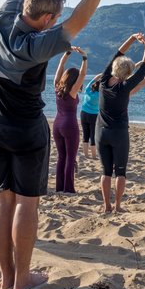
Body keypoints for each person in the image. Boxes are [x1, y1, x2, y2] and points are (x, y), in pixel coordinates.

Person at [0, 0, 107, 289]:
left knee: (3, 202)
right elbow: (81, 17)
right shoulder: (36, 45)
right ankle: (22, 279)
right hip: (25, 131)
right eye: (54, 18)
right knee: (26, 204)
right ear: (48, 19)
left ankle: (5, 278)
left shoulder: (2, 18)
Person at [96, 33, 145, 213]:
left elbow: (118, 52)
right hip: (119, 133)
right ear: (127, 73)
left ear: (113, 67)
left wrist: (132, 38)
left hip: (101, 133)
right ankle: (118, 206)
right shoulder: (125, 87)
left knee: (105, 172)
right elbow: (144, 69)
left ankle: (106, 206)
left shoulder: (103, 80)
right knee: (120, 172)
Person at [53, 47, 87, 193]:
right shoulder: (73, 91)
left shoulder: (57, 86)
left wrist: (66, 54)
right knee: (70, 157)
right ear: (74, 79)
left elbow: (60, 66)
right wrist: (84, 58)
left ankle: (59, 187)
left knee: (61, 156)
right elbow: (83, 75)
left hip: (57, 124)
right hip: (69, 125)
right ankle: (68, 189)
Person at [80, 73, 102, 159]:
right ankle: (93, 156)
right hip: (93, 116)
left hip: (83, 114)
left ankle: (86, 155)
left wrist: (101, 74)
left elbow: (94, 78)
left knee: (85, 135)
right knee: (93, 135)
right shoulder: (100, 95)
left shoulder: (88, 89)